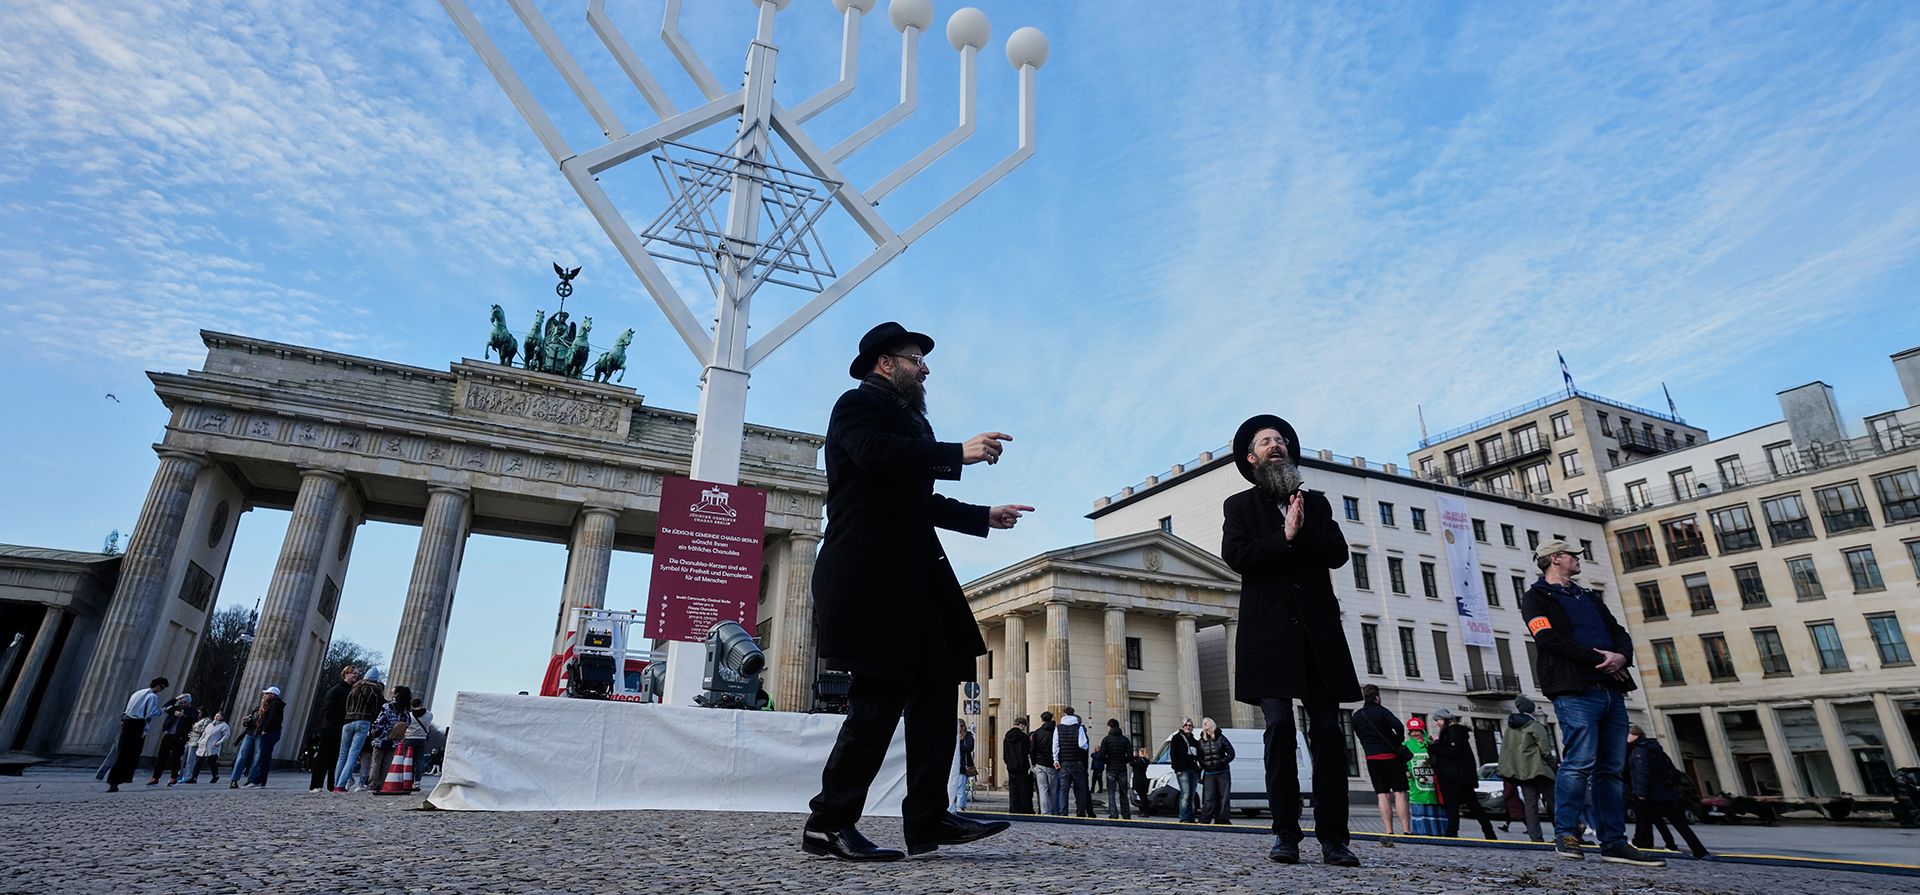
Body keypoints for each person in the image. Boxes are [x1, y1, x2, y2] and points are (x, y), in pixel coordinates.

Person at [801, 322, 1027, 862]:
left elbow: (914, 500)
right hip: (871, 581)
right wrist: (958, 453)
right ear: (886, 364)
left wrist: (983, 516)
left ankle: (927, 818)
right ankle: (827, 823)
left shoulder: (909, 423)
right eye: (915, 358)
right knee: (876, 706)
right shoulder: (855, 408)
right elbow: (877, 455)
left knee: (934, 695)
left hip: (914, 583)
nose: (924, 368)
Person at [1220, 414, 1362, 868]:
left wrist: (1304, 530)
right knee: (1279, 729)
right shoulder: (1239, 507)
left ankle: (1335, 839)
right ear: (1251, 457)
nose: (1275, 444)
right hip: (1269, 636)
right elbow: (1237, 557)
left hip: (1318, 634)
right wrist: (1284, 538)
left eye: (1280, 440)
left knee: (1326, 734)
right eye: (1266, 441)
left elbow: (1338, 555)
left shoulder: (1316, 504)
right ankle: (1285, 833)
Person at [1521, 540, 1664, 867]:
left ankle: (1613, 841)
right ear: (1555, 559)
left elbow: (1619, 632)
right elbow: (1546, 638)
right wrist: (1600, 659)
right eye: (1573, 555)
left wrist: (1622, 656)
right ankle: (1567, 834)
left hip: (1611, 690)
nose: (1577, 560)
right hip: (1575, 689)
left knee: (1611, 770)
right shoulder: (1536, 598)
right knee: (1579, 762)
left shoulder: (1588, 597)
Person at [1628, 726, 1709, 858]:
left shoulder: (1640, 751)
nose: (1626, 738)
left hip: (1652, 794)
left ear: (1636, 735)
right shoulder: (1654, 748)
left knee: (1645, 820)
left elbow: (1641, 773)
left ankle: (1645, 848)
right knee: (1676, 823)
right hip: (1666, 791)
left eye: (1629, 734)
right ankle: (1698, 850)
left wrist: (1640, 793)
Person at [1351, 685, 1409, 845]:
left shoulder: (1357, 715)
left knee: (1382, 794)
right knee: (1400, 792)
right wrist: (1397, 742)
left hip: (1372, 757)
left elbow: (1358, 733)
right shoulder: (1382, 711)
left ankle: (1388, 829)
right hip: (1390, 756)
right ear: (1377, 697)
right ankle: (1406, 830)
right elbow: (1398, 726)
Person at [1498, 695, 1558, 842]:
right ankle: (1566, 834)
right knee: (1555, 802)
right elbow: (1545, 749)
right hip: (1539, 770)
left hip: (1522, 773)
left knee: (1530, 806)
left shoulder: (1510, 729)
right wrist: (1553, 767)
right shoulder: (1534, 725)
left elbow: (1507, 750)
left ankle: (1535, 838)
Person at [1429, 708, 1497, 840]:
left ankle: (1452, 832)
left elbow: (1453, 752)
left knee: (1454, 805)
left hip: (1454, 777)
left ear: (1444, 720)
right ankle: (1488, 832)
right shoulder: (1456, 731)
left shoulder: (1452, 732)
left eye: (1437, 720)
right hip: (1461, 776)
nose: (1436, 723)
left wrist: (1432, 747)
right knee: (1473, 806)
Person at [107, 676, 168, 792]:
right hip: (137, 725)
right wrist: (163, 710)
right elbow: (152, 713)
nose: (161, 690)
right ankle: (119, 778)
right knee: (131, 753)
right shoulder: (152, 696)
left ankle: (114, 779)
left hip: (126, 722)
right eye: (162, 687)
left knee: (122, 751)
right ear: (158, 685)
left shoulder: (138, 693)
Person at [335, 667, 385, 792]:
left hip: (348, 721)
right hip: (363, 721)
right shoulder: (375, 689)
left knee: (342, 755)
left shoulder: (355, 687)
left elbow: (347, 704)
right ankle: (340, 785)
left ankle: (336, 783)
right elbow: (377, 709)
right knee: (353, 755)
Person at [310, 664, 358, 793]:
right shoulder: (336, 690)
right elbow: (327, 709)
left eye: (357, 673)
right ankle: (316, 785)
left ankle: (333, 785)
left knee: (337, 758)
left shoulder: (350, 690)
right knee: (324, 757)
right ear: (345, 674)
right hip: (331, 727)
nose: (356, 675)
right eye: (353, 673)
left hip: (341, 727)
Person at [232, 686, 284, 788]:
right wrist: (247, 721)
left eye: (267, 694)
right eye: (265, 694)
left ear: (273, 695)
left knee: (257, 756)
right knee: (242, 755)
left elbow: (272, 719)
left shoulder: (275, 705)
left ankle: (252, 780)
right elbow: (253, 719)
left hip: (260, 733)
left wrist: (265, 729)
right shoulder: (259, 707)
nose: (264, 696)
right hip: (251, 732)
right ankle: (234, 779)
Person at [1052, 708, 1093, 818]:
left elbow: (1055, 746)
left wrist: (1056, 760)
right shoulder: (1079, 727)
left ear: (1064, 714)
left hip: (1064, 762)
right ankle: (1080, 812)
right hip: (1077, 762)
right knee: (1080, 788)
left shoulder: (1058, 728)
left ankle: (1063, 811)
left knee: (1063, 789)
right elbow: (1083, 744)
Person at [148, 693, 196, 786]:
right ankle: (155, 777)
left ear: (189, 703)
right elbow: (165, 707)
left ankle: (173, 778)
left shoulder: (192, 711)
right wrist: (176, 698)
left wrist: (183, 716)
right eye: (181, 702)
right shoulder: (175, 708)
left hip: (180, 737)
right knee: (162, 756)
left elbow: (193, 719)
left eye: (185, 702)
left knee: (176, 757)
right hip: (169, 735)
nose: (182, 704)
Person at [1195, 717, 1235, 824]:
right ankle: (1204, 820)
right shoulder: (1200, 741)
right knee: (1209, 798)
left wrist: (1221, 762)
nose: (1204, 725)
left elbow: (1231, 753)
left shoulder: (1221, 738)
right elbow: (1199, 757)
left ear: (1212, 724)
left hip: (1223, 772)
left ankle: (1222, 820)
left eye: (1206, 723)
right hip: (1209, 773)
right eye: (1203, 723)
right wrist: (1203, 765)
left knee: (1224, 798)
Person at [1405, 717, 1440, 835]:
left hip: (1432, 784)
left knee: (1433, 802)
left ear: (1422, 731)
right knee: (1420, 803)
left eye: (1417, 730)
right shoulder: (1406, 745)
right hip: (1416, 784)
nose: (1415, 733)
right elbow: (1400, 761)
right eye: (1412, 731)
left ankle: (1437, 832)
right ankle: (1421, 832)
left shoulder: (1430, 744)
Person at [1166, 719, 1201, 822]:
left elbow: (1198, 755)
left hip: (1193, 770)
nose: (1188, 727)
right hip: (1183, 770)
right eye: (1186, 725)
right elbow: (1173, 754)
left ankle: (1190, 816)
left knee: (1191, 794)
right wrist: (1176, 768)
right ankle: (1183, 817)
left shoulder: (1194, 740)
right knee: (1185, 794)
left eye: (1190, 725)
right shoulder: (1177, 738)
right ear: (1183, 726)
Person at [1099, 719, 1133, 820]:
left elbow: (1101, 755)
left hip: (1111, 768)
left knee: (1111, 792)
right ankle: (1126, 814)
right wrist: (1124, 760)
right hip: (1122, 768)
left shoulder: (1106, 739)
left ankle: (1113, 814)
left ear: (1110, 727)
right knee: (1123, 793)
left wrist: (1107, 761)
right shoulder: (1125, 740)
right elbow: (1130, 756)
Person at [186, 710, 230, 783]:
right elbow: (204, 733)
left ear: (222, 717)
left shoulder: (224, 726)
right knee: (198, 762)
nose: (216, 717)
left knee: (212, 763)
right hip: (203, 746)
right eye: (216, 716)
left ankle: (215, 775)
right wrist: (200, 741)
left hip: (212, 746)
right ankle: (194, 778)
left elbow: (226, 736)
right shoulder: (210, 724)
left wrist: (219, 742)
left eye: (218, 716)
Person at [1003, 716, 1034, 814]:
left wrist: (1009, 763)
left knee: (1013, 789)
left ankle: (1013, 807)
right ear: (1021, 725)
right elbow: (1028, 752)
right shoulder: (1024, 737)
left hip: (1011, 767)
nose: (1024, 729)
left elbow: (1005, 754)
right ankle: (1024, 808)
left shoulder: (1007, 737)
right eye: (1024, 727)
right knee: (1024, 789)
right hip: (1022, 767)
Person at [1030, 711, 1058, 816]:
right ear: (1051, 718)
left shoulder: (1037, 732)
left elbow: (1032, 749)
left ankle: (1045, 812)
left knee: (1042, 789)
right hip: (1052, 763)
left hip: (1040, 763)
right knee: (1053, 789)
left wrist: (1033, 762)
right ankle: (1054, 811)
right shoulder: (1055, 731)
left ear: (1041, 720)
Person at [404, 698, 435, 790]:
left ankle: (406, 779)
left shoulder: (409, 715)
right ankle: (417, 781)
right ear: (421, 704)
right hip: (421, 738)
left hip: (409, 737)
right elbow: (429, 722)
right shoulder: (428, 715)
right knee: (419, 760)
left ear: (412, 705)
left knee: (408, 760)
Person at [948, 720, 973, 810]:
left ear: (962, 727)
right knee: (954, 786)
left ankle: (960, 806)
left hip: (963, 765)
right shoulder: (954, 736)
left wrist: (958, 745)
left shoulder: (967, 736)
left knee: (960, 787)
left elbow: (970, 747)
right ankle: (960, 805)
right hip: (954, 765)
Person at [1130, 747, 1152, 817]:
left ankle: (1144, 812)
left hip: (1139, 780)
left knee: (1142, 797)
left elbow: (1132, 763)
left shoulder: (1140, 761)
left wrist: (1133, 757)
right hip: (1143, 779)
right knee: (1144, 797)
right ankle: (1146, 811)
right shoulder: (1145, 760)